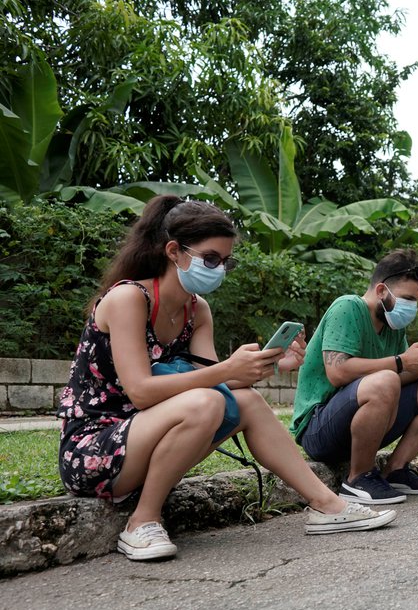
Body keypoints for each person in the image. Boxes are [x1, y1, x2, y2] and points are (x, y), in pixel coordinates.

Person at [57, 196, 395, 562]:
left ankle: (326, 505)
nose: (218, 269)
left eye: (225, 261)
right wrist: (227, 370)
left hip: (149, 438)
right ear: (174, 251)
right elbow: (141, 392)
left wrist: (269, 365)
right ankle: (142, 521)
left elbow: (215, 381)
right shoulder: (128, 298)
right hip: (96, 450)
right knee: (207, 402)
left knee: (244, 401)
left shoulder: (196, 309)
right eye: (210, 259)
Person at [290, 249, 418, 505]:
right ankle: (358, 478)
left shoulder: (392, 325)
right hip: (319, 428)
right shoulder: (347, 307)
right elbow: (338, 372)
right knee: (385, 379)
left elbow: (398, 378)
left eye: (415, 301)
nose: (410, 307)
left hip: (368, 421)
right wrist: (402, 362)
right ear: (381, 291)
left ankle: (396, 471)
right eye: (406, 298)